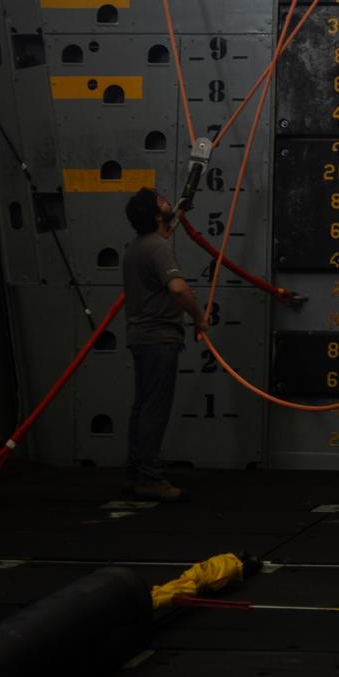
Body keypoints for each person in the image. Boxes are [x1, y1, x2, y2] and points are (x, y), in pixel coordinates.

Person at [122, 187, 209, 501]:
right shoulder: (158, 247)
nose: (166, 199)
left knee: (142, 407)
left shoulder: (138, 246)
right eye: (161, 200)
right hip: (160, 338)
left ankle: (136, 473)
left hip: (142, 337)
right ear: (157, 215)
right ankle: (150, 478)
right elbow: (177, 289)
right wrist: (198, 317)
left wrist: (178, 213)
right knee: (154, 409)